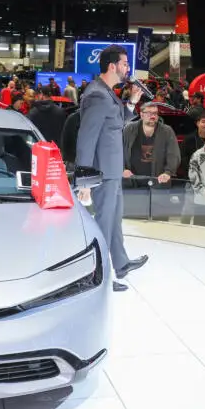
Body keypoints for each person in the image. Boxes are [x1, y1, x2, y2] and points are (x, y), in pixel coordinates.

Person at [76, 45, 148, 292]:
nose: (128, 68)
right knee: (104, 224)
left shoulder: (107, 93)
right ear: (112, 66)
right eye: (125, 63)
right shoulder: (96, 94)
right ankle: (98, 276)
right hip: (103, 173)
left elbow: (115, 122)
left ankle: (121, 263)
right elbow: (86, 138)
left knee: (114, 220)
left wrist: (132, 103)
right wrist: (84, 181)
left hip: (113, 171)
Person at [123, 102, 179, 183]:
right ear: (141, 115)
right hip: (132, 181)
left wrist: (168, 172)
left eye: (155, 113)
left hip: (159, 181)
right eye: (149, 113)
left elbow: (173, 155)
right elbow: (119, 151)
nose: (153, 116)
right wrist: (122, 169)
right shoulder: (129, 129)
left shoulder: (167, 131)